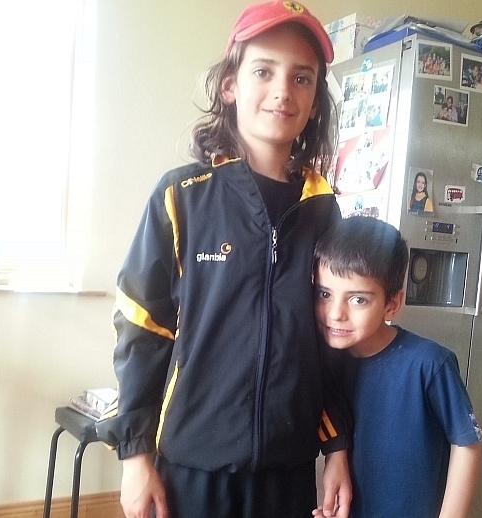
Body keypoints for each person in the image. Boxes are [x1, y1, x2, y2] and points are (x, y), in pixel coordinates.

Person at [95, 2, 353, 517]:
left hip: (288, 467)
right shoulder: (182, 197)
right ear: (230, 85)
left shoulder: (323, 211)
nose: (283, 90)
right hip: (192, 466)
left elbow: (331, 336)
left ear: (315, 103)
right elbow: (142, 326)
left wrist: (337, 447)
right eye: (264, 71)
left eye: (302, 78)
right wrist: (136, 455)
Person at [312, 216, 482, 518]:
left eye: (358, 300)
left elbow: (466, 445)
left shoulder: (430, 364)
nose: (335, 313)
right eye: (325, 294)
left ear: (392, 303)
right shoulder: (321, 364)